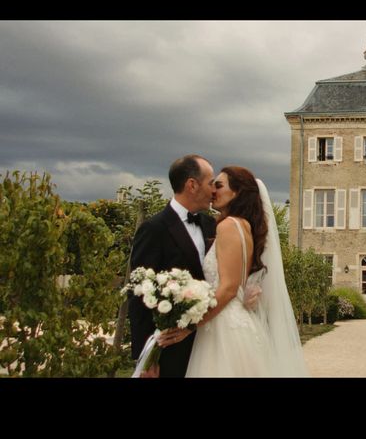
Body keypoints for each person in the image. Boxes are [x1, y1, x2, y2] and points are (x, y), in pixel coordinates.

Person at [166, 166, 309, 377]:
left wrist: (191, 325)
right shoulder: (243, 226)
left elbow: (229, 288)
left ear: (237, 192)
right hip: (233, 320)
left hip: (223, 326)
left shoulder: (229, 226)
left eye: (219, 185)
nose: (213, 190)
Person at [128, 154, 217, 378]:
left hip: (209, 342)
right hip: (170, 349)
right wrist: (146, 357)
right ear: (192, 185)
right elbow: (138, 297)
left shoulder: (212, 225)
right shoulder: (154, 229)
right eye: (210, 182)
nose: (214, 190)